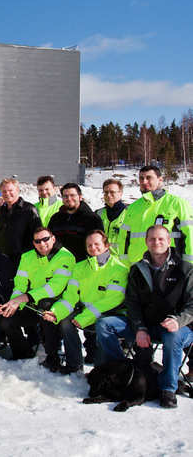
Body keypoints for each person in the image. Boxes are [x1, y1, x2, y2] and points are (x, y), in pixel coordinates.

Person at [96, 225, 193, 408]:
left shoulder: (185, 269)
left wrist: (178, 321)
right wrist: (140, 327)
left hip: (178, 329)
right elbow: (132, 303)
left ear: (169, 241)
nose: (156, 242)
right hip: (146, 326)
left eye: (161, 239)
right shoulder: (137, 269)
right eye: (152, 239)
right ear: (146, 241)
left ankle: (168, 389)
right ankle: (125, 371)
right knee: (105, 324)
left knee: (172, 336)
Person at [46, 230, 128, 370]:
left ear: (106, 245)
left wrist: (85, 317)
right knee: (65, 321)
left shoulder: (119, 268)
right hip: (84, 311)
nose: (93, 248)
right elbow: (71, 296)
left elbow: (113, 299)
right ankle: (74, 364)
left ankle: (101, 369)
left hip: (109, 313)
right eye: (89, 245)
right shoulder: (79, 267)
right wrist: (56, 312)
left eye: (97, 244)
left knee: (102, 326)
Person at [0, 227, 75, 361]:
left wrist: (24, 298)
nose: (42, 244)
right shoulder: (27, 257)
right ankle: (23, 354)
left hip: (57, 304)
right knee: (7, 320)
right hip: (31, 302)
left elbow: (55, 287)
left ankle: (52, 356)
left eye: (45, 239)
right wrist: (13, 304)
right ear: (33, 243)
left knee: (45, 305)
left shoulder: (66, 256)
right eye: (37, 241)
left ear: (53, 239)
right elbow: (20, 285)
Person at [118, 165, 193, 265]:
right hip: (137, 269)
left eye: (149, 178)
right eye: (141, 178)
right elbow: (123, 240)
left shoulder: (177, 204)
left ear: (160, 180)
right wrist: (125, 267)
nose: (144, 181)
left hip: (170, 269)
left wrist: (188, 268)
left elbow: (190, 236)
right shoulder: (133, 208)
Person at [0, 177, 42, 271]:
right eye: (4, 191)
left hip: (23, 259)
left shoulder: (29, 210)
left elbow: (38, 235)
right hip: (3, 259)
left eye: (10, 190)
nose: (7, 194)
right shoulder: (0, 211)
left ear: (18, 190)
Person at [47, 182, 103, 262]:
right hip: (59, 264)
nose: (69, 198)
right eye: (65, 196)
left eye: (72, 195)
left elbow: (99, 246)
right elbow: (49, 242)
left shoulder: (92, 219)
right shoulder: (55, 218)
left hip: (83, 265)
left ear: (80, 197)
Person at [96, 178, 128, 256]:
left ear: (120, 193)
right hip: (102, 260)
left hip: (122, 262)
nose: (108, 195)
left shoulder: (129, 214)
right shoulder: (98, 214)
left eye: (112, 192)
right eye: (106, 192)